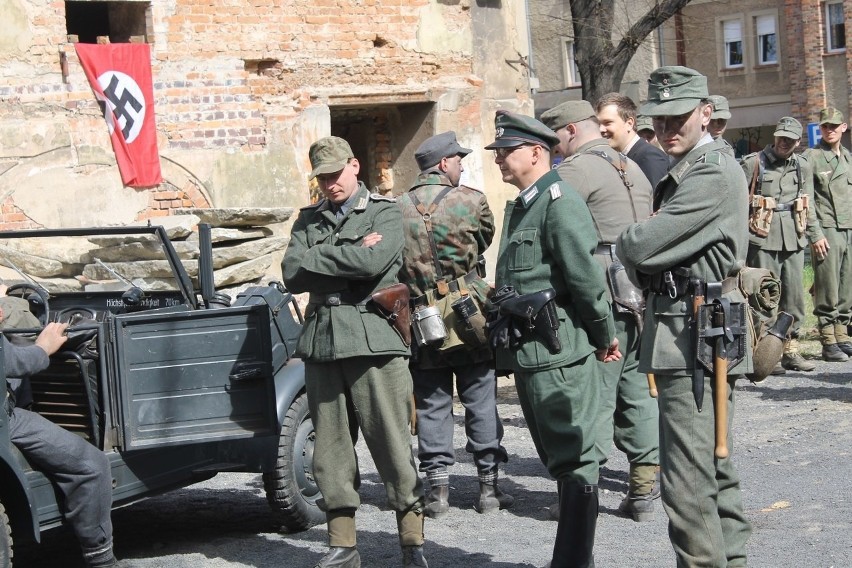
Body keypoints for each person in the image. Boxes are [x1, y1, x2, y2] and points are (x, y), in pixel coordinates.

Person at [616, 66, 753, 567]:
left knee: (686, 481)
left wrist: (638, 239)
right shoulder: (695, 166)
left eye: (679, 117)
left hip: (694, 333)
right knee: (712, 470)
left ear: (706, 113)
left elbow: (642, 246)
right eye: (660, 119)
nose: (668, 129)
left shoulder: (711, 170)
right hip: (689, 328)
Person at [282, 136, 427, 568]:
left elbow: (374, 264)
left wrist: (321, 258)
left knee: (392, 444)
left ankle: (412, 541)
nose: (330, 184)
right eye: (322, 177)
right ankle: (342, 544)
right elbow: (292, 273)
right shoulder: (308, 219)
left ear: (355, 166)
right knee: (329, 450)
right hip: (324, 343)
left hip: (373, 342)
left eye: (335, 174)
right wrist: (349, 250)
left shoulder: (385, 211)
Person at [485, 110, 620, 568]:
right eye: (499, 151)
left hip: (558, 353)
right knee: (559, 459)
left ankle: (573, 561)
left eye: (507, 151)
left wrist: (605, 335)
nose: (500, 159)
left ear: (537, 152)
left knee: (576, 458)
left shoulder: (558, 200)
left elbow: (584, 278)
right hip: (531, 354)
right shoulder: (525, 203)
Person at [540, 100, 659, 523]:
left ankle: (581, 495)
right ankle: (644, 489)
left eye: (553, 138)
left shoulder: (572, 172)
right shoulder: (634, 167)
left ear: (569, 130)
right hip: (639, 289)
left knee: (590, 395)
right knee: (636, 389)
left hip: (600, 292)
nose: (552, 148)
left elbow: (555, 235)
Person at [397, 132, 512, 518]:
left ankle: (437, 493)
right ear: (444, 163)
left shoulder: (394, 208)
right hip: (470, 311)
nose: (462, 165)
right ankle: (489, 490)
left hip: (421, 317)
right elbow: (484, 241)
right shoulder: (473, 200)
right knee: (480, 398)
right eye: (458, 159)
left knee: (432, 403)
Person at [2, 311, 116, 568]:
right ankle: (101, 559)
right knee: (92, 465)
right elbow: (18, 363)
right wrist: (44, 346)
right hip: (6, 419)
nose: (1, 311)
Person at [740, 117, 818, 372]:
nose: (783, 142)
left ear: (797, 141)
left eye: (789, 139)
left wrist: (815, 235)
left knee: (794, 296)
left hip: (794, 238)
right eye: (780, 137)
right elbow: (738, 203)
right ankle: (765, 353)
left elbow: (809, 203)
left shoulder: (802, 166)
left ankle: (790, 349)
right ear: (774, 137)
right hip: (762, 238)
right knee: (765, 297)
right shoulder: (754, 163)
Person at [804, 107, 852, 361]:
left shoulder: (848, 158)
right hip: (827, 228)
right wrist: (815, 233)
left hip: (849, 227)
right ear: (820, 128)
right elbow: (807, 200)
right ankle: (827, 338)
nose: (830, 130)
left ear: (844, 127)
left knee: (846, 285)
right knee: (827, 286)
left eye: (834, 125)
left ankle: (842, 334)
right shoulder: (812, 157)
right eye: (825, 126)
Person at [595, 92, 669, 189]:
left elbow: (655, 202)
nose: (601, 129)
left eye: (607, 123)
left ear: (629, 123)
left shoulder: (649, 158)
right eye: (598, 124)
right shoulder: (618, 158)